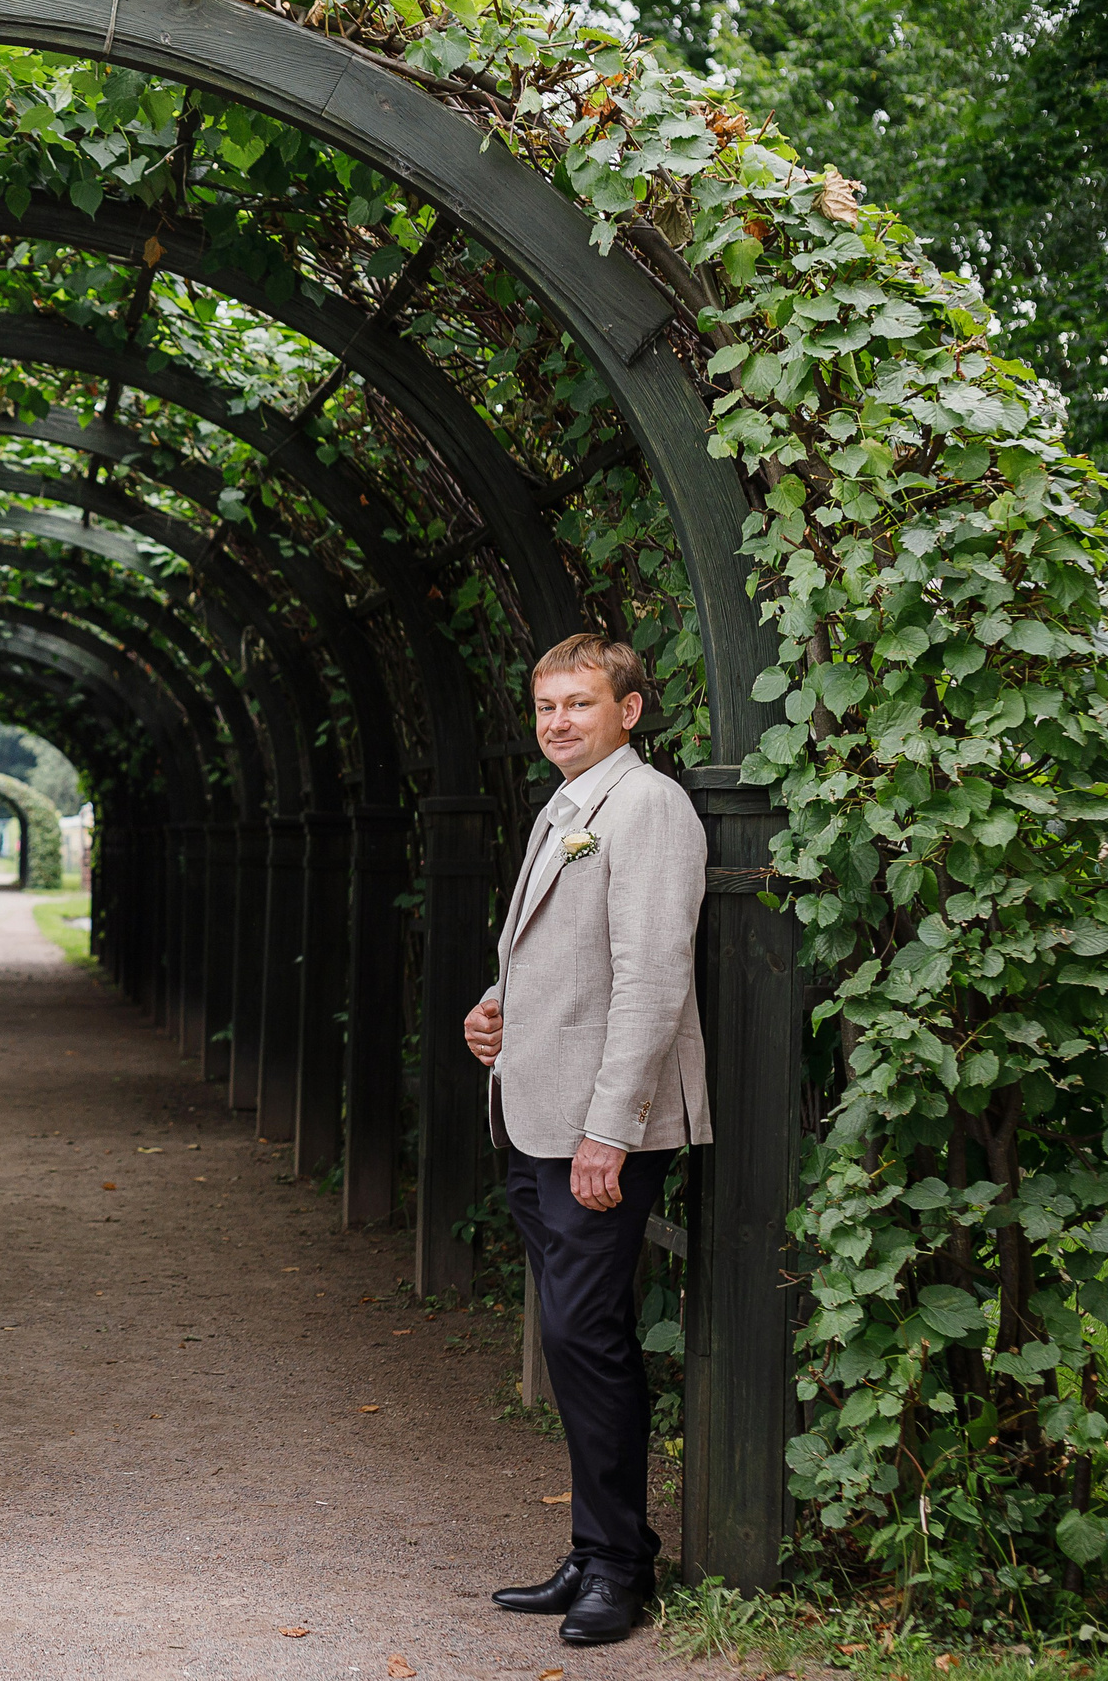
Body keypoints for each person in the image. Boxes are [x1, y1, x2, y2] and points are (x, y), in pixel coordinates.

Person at [462, 634, 708, 1647]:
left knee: (586, 1337)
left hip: (600, 1129)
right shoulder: (563, 808)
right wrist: (493, 1007)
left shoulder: (647, 809)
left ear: (629, 711)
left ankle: (618, 1566)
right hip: (536, 1108)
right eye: (545, 706)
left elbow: (651, 978)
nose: (557, 722)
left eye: (578, 704)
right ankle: (597, 1546)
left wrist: (610, 1129)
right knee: (572, 1338)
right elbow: (555, 960)